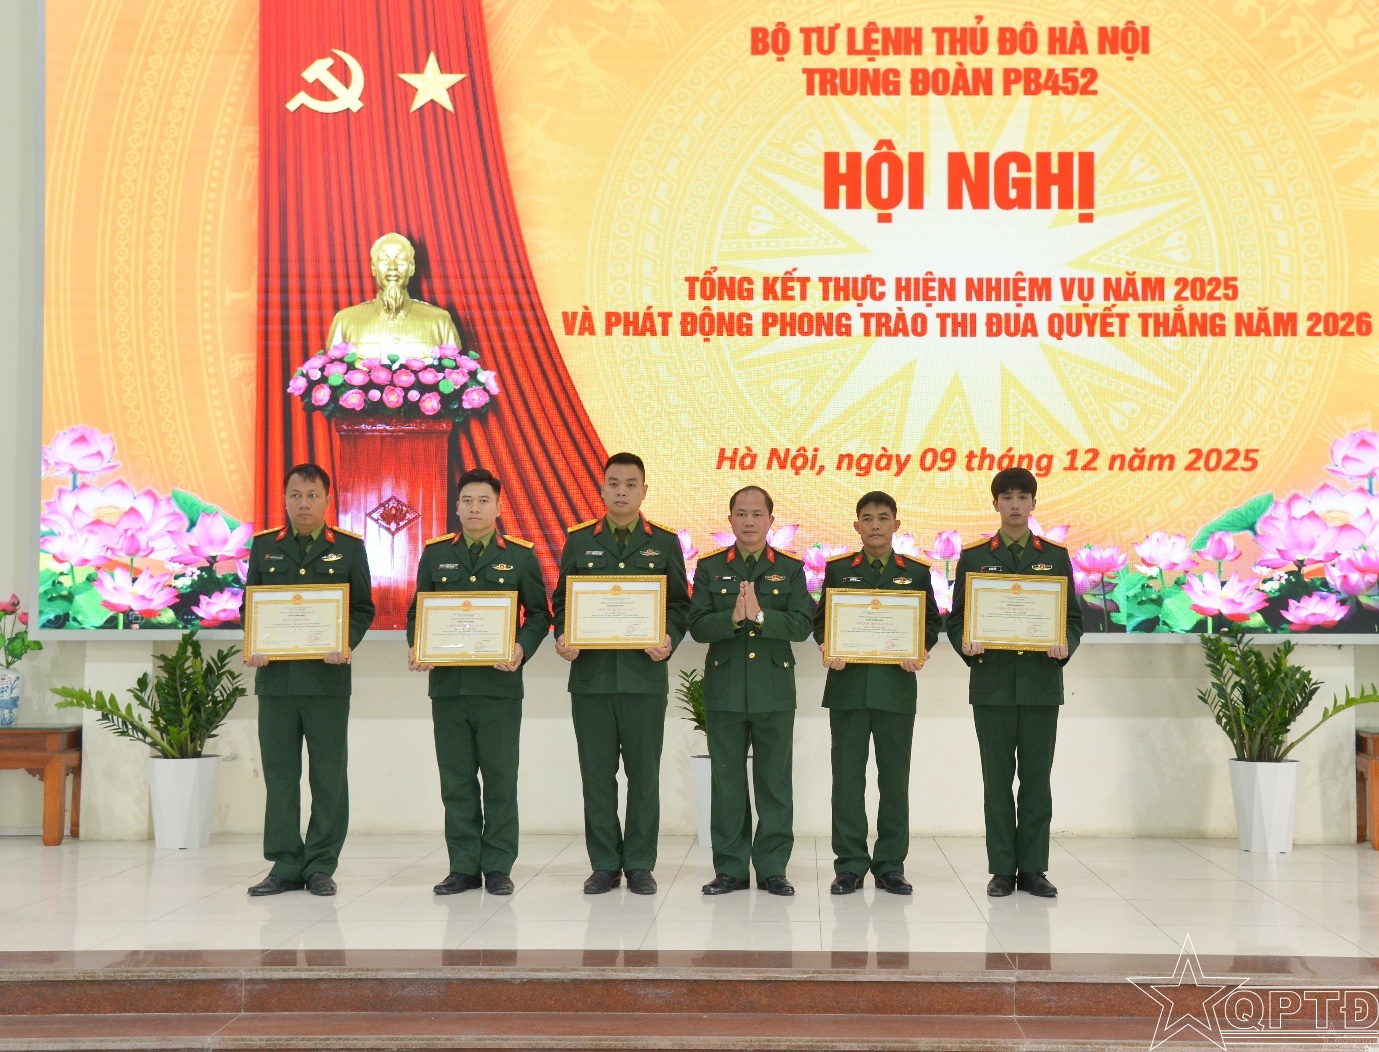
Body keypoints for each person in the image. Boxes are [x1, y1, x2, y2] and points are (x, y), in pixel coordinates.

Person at [406, 467, 551, 896]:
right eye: (467, 500)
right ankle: (463, 866)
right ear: (456, 506)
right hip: (449, 687)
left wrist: (521, 648)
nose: (475, 508)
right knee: (456, 781)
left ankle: (499, 866)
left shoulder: (519, 556)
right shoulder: (435, 554)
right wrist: (418, 644)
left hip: (498, 687)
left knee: (500, 781)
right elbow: (418, 611)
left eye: (484, 501)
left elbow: (539, 615)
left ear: (498, 507)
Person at [552, 453, 691, 896]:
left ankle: (640, 863)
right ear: (602, 489)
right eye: (613, 483)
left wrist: (668, 637)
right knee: (597, 777)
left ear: (644, 491)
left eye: (631, 484)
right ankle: (604, 864)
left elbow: (680, 604)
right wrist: (563, 634)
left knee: (643, 777)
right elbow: (562, 601)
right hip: (591, 678)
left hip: (643, 677)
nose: (621, 491)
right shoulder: (579, 541)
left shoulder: (663, 543)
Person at [945, 467, 1082, 899]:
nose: (1015, 505)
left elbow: (1073, 619)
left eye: (1023, 497)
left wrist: (1065, 643)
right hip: (993, 684)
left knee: (1037, 782)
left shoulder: (1055, 557)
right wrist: (967, 646)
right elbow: (956, 621)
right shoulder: (974, 558)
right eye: (1007, 498)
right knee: (997, 781)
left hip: (1041, 684)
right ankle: (1002, 869)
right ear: (996, 504)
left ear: (1034, 503)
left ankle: (1035, 868)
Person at [243, 463, 375, 897]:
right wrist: (255, 640)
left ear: (327, 500)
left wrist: (345, 641)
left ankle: (320, 865)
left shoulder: (349, 549)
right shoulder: (265, 547)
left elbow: (362, 608)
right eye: (296, 495)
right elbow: (250, 606)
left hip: (326, 681)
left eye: (312, 495)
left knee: (328, 776)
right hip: (276, 681)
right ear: (284, 499)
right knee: (280, 776)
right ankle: (284, 864)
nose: (303, 503)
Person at [813, 491, 941, 896]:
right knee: (847, 782)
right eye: (867, 518)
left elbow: (931, 623)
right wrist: (826, 645)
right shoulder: (838, 570)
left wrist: (919, 648)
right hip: (848, 688)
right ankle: (849, 865)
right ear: (856, 526)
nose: (875, 525)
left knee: (894, 781)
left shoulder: (915, 573)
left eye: (883, 518)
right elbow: (822, 620)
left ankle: (890, 866)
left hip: (895, 689)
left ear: (896, 525)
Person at [687, 486, 812, 896]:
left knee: (774, 784)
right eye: (741, 514)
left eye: (758, 514)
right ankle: (731, 870)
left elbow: (802, 625)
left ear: (771, 521)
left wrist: (760, 616)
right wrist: (734, 618)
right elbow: (697, 626)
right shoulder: (710, 567)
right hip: (725, 689)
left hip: (773, 689)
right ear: (730, 520)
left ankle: (773, 869)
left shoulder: (790, 568)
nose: (749, 521)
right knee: (727, 784)